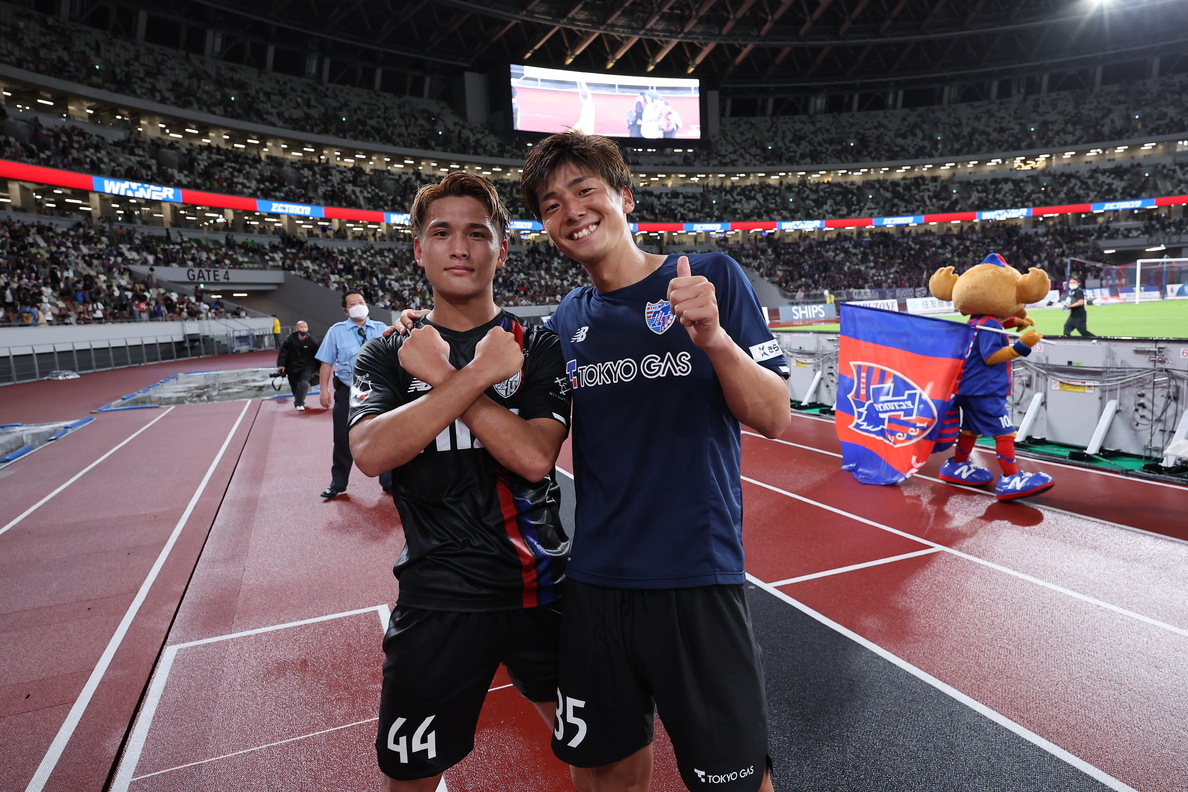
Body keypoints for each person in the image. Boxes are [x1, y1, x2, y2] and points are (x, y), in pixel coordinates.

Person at [520, 131, 791, 792]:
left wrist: (713, 338)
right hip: (596, 584)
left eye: (585, 190)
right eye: (552, 205)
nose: (572, 211)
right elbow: (529, 444)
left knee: (734, 784)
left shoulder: (709, 277)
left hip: (695, 577)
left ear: (625, 196)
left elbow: (775, 416)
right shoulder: (565, 321)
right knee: (607, 773)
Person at [347, 172, 577, 792]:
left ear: (501, 250)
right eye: (441, 232)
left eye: (477, 233)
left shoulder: (538, 345)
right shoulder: (389, 352)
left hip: (542, 589)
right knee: (410, 776)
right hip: (437, 595)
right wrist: (472, 377)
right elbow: (369, 452)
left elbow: (534, 457)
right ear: (418, 249)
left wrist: (449, 380)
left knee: (601, 761)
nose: (459, 247)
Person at [315, 291, 391, 499]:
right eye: (353, 304)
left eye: (361, 302)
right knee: (342, 438)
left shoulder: (382, 329)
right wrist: (324, 389)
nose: (359, 306)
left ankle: (389, 481)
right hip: (348, 391)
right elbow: (326, 362)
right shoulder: (336, 332)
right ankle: (338, 484)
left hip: (378, 391)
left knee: (384, 435)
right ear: (345, 311)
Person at [276, 320, 320, 411]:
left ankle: (299, 403)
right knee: (295, 386)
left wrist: (320, 367)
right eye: (301, 327)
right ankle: (298, 399)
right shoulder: (290, 340)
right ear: (297, 329)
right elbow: (284, 353)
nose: (304, 329)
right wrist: (281, 365)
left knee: (303, 383)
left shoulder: (311, 341)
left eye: (305, 327)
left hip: (308, 366)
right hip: (293, 367)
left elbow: (318, 354)